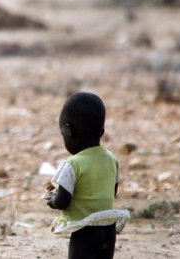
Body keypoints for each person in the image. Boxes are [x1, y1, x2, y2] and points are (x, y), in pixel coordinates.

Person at [44, 92, 129, 259]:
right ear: (102, 131)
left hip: (85, 231)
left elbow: (62, 202)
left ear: (68, 131)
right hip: (108, 228)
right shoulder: (111, 160)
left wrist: (51, 200)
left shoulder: (73, 164)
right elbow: (111, 192)